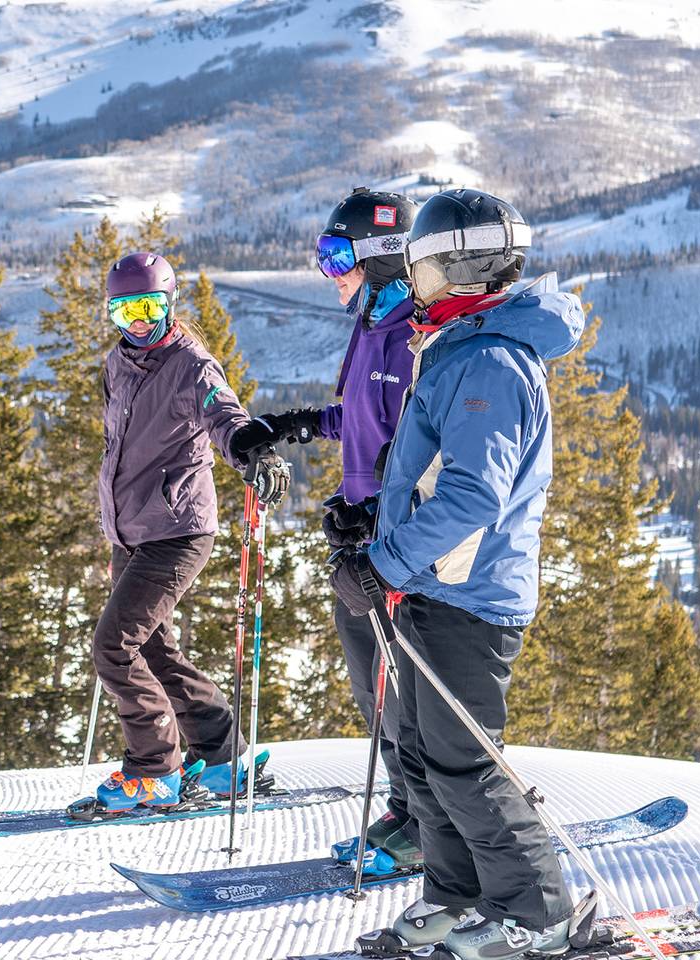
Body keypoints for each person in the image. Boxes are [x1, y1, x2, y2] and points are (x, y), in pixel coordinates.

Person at [330, 189, 585, 960]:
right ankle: (454, 896)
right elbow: (434, 475)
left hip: (470, 598)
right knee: (418, 754)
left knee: (465, 761)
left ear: (461, 266)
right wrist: (374, 525)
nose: (416, 275)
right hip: (431, 586)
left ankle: (537, 915)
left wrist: (384, 561)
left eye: (427, 262)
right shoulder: (454, 345)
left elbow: (478, 493)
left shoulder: (490, 360)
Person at [244, 187, 423, 867]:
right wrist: (295, 424)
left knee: (403, 689)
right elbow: (358, 417)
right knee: (370, 685)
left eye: (336, 255)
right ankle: (407, 808)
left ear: (381, 256)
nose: (329, 272)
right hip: (357, 540)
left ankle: (428, 823)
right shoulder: (370, 325)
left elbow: (418, 443)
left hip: (397, 545)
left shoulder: (414, 334)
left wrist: (379, 506)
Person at [88, 250, 291, 813]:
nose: (137, 322)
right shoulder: (117, 364)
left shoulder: (191, 365)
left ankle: (154, 770)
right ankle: (226, 756)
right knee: (152, 649)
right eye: (124, 311)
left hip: (177, 530)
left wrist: (250, 452)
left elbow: (225, 417)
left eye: (148, 308)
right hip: (130, 531)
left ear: (169, 304)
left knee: (113, 647)